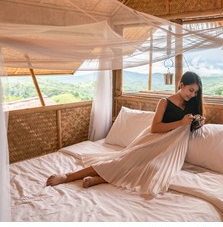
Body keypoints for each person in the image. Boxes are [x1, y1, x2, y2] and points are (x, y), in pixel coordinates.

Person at [46, 71, 205, 195]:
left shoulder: (192, 105)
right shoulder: (164, 102)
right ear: (181, 84)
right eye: (190, 90)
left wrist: (198, 122)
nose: (192, 95)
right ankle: (69, 176)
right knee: (120, 161)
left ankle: (102, 179)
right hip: (152, 141)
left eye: (195, 92)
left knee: (151, 169)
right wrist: (181, 122)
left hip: (169, 150)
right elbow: (155, 127)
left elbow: (187, 129)